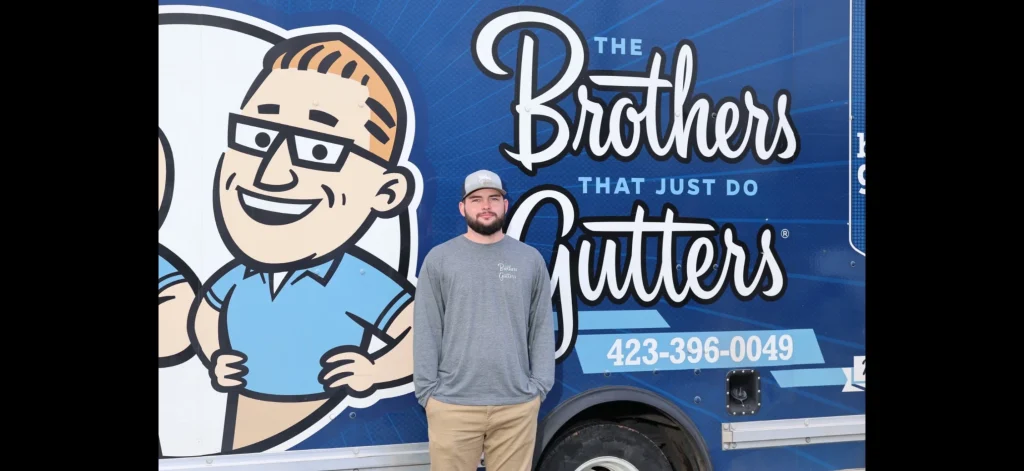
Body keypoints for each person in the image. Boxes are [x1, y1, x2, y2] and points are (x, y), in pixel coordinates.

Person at [188, 31, 419, 452]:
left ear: (386, 192)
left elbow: (420, 328)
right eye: (258, 138)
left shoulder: (359, 277)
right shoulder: (243, 274)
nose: (271, 174)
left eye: (318, 150)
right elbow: (207, 308)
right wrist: (215, 354)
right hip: (243, 419)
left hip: (315, 418)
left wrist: (376, 371)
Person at [413, 169, 555, 471]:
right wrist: (428, 395)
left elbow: (541, 326)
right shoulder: (439, 259)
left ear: (506, 205)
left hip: (516, 406)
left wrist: (539, 387)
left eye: (494, 198)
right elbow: (427, 329)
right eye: (476, 199)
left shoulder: (529, 260)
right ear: (463, 208)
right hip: (452, 405)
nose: (485, 205)